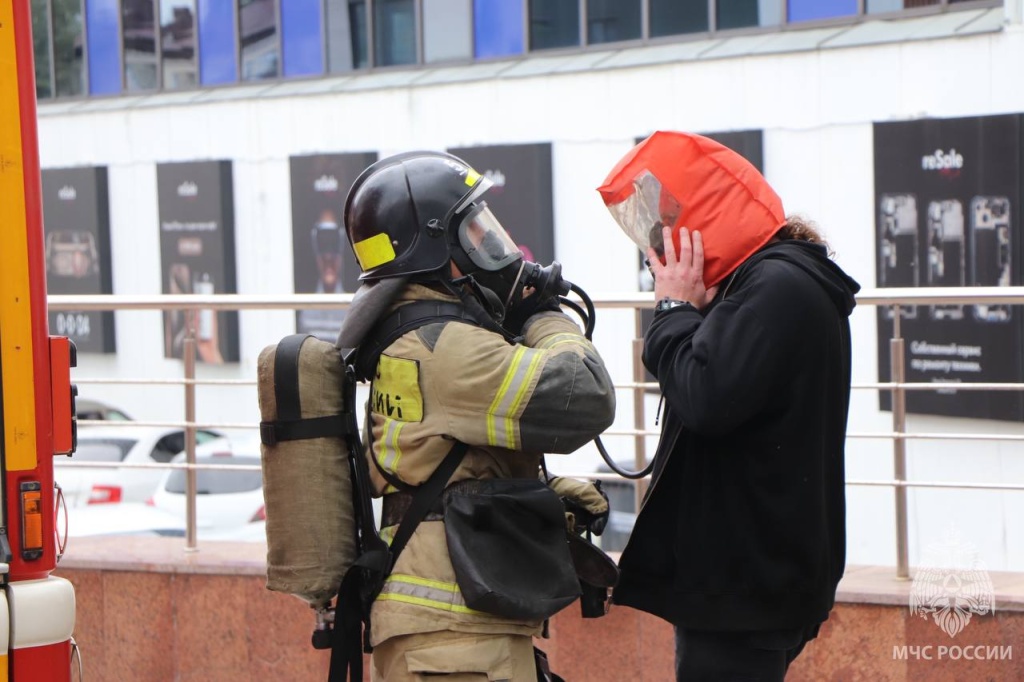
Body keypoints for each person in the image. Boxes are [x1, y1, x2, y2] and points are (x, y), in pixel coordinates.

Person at [341, 150, 616, 681]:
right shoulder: (446, 347)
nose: (495, 249)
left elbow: (440, 462)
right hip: (452, 640)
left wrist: (539, 496)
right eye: (476, 231)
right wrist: (544, 318)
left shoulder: (409, 333)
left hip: (446, 628)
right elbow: (585, 395)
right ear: (439, 247)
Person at [602, 132, 861, 681]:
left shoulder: (773, 287)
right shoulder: (777, 280)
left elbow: (704, 395)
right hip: (754, 579)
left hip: (745, 587)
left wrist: (672, 309)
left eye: (668, 230)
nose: (659, 252)